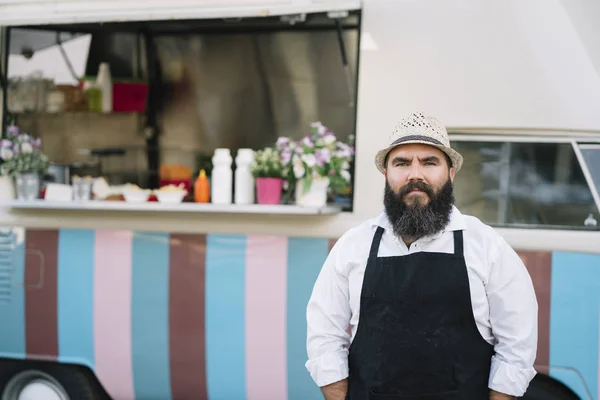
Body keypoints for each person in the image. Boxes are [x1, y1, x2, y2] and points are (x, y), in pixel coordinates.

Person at [305, 111, 538, 400]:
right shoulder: (353, 247)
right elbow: (324, 339)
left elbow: (517, 348)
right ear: (386, 174)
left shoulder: (487, 247)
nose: (415, 174)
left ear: (451, 173)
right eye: (402, 163)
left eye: (429, 162)